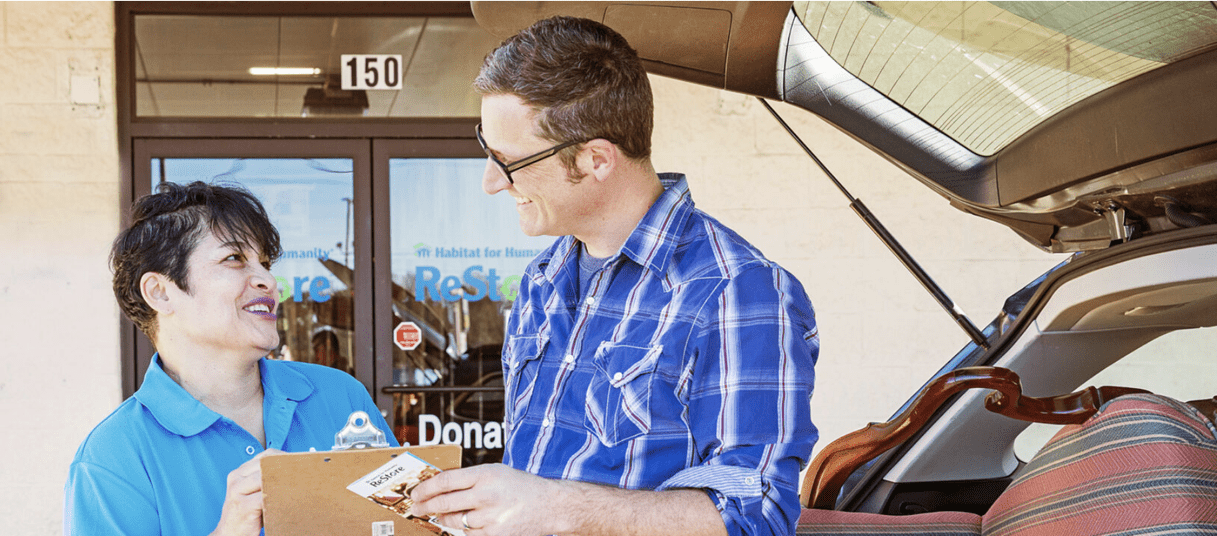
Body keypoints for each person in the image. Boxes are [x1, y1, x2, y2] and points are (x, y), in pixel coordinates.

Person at [409, 16, 820, 536]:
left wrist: (561, 510)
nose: (491, 182)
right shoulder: (544, 277)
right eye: (485, 149)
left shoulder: (736, 290)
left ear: (596, 158)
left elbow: (758, 515)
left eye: (506, 160)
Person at [64, 181, 394, 536]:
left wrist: (454, 522)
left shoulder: (339, 394)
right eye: (234, 258)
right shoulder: (113, 456)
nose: (268, 280)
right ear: (160, 292)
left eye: (265, 263)